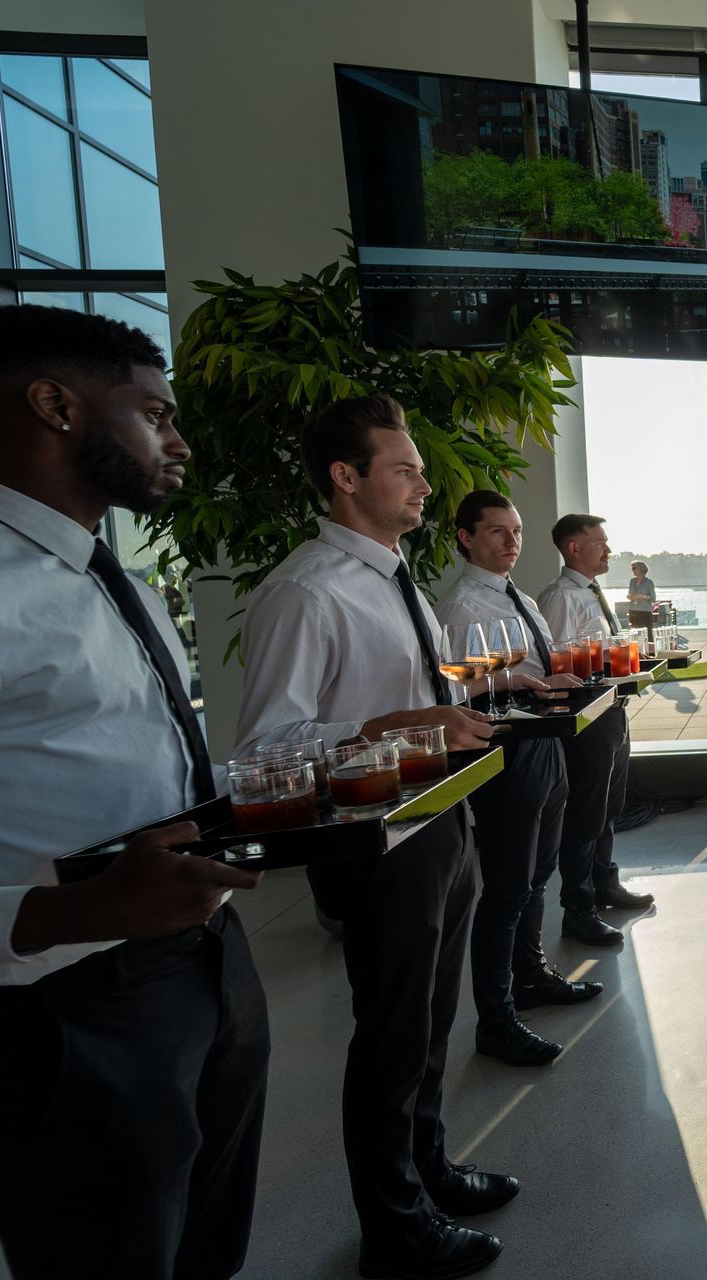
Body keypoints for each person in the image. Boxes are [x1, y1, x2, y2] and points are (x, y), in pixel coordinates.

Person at [0, 304, 270, 1280]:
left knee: (206, 1248)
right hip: (64, 1011)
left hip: (202, 963)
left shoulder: (101, 571)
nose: (177, 440)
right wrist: (78, 906)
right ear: (54, 405)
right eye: (156, 414)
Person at [233, 394, 511, 1278]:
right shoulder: (307, 591)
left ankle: (428, 1169)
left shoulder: (396, 579)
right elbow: (267, 747)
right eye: (406, 468)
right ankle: (394, 1223)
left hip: (440, 817)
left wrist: (458, 715)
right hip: (377, 841)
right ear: (345, 477)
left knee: (432, 1020)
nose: (427, 484)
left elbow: (430, 702)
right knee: (392, 1032)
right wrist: (392, 724)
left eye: (421, 469)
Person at [438, 491, 602, 1068]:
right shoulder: (463, 607)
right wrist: (521, 685)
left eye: (516, 531)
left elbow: (539, 661)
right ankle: (496, 1019)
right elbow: (458, 687)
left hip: (545, 742)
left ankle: (530, 976)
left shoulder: (521, 597)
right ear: (466, 538)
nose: (511, 543)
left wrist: (562, 671)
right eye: (496, 533)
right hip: (508, 748)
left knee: (538, 873)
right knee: (507, 887)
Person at [536, 514, 657, 951]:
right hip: (586, 717)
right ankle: (579, 909)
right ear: (573, 548)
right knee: (586, 811)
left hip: (612, 707)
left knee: (609, 804)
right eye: (600, 543)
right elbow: (554, 663)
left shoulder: (590, 591)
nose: (608, 550)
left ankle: (606, 884)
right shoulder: (559, 599)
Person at [625, 559, 658, 641]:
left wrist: (641, 596)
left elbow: (653, 598)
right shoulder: (632, 581)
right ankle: (637, 652)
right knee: (635, 634)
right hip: (633, 611)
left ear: (641, 569)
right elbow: (630, 594)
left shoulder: (649, 582)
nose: (632, 570)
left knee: (647, 635)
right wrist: (630, 596)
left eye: (634, 568)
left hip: (645, 612)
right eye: (632, 568)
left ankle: (650, 652)